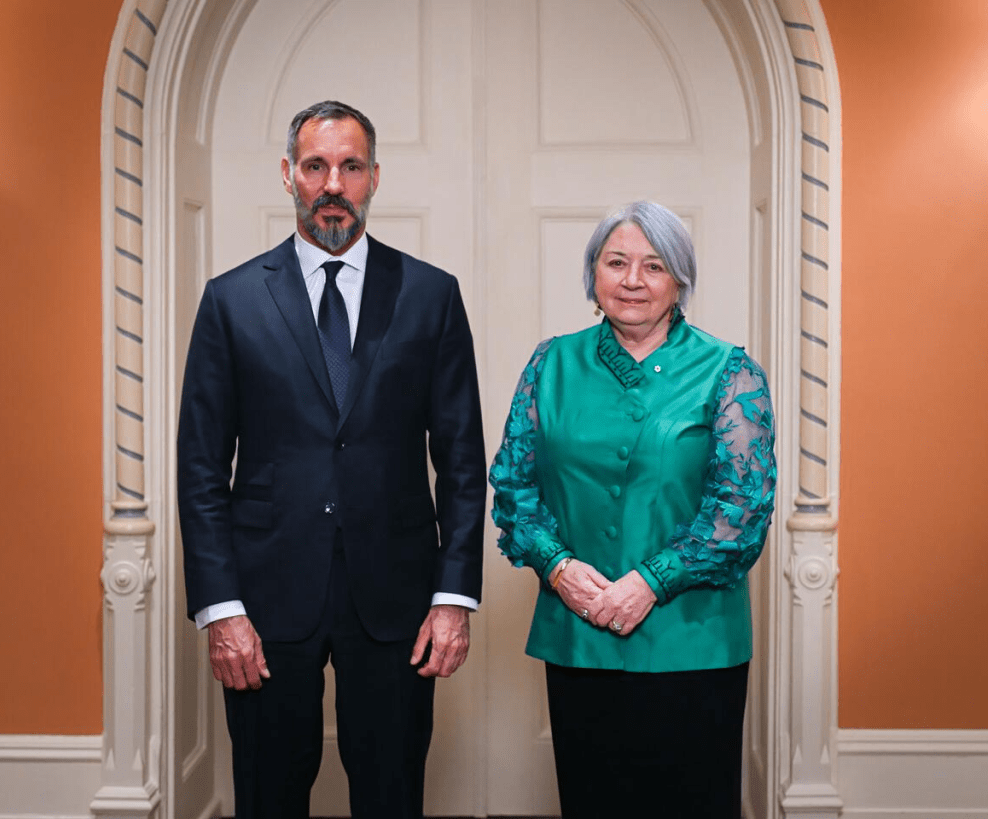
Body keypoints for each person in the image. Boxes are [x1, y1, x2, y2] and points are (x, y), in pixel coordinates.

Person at [177, 100, 485, 819]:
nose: (333, 184)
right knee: (268, 794)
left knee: (392, 794)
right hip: (263, 598)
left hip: (398, 597)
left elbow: (463, 461)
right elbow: (200, 468)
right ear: (289, 174)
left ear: (375, 177)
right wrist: (222, 608)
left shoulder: (432, 296)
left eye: (351, 166)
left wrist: (453, 598)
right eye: (316, 166)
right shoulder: (230, 301)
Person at [489, 201, 776, 818]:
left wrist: (650, 581)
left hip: (693, 644)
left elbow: (741, 512)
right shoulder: (550, 363)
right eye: (616, 263)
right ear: (593, 274)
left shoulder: (730, 372)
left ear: (679, 280)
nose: (633, 280)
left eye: (654, 265)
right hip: (580, 636)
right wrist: (559, 567)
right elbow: (514, 487)